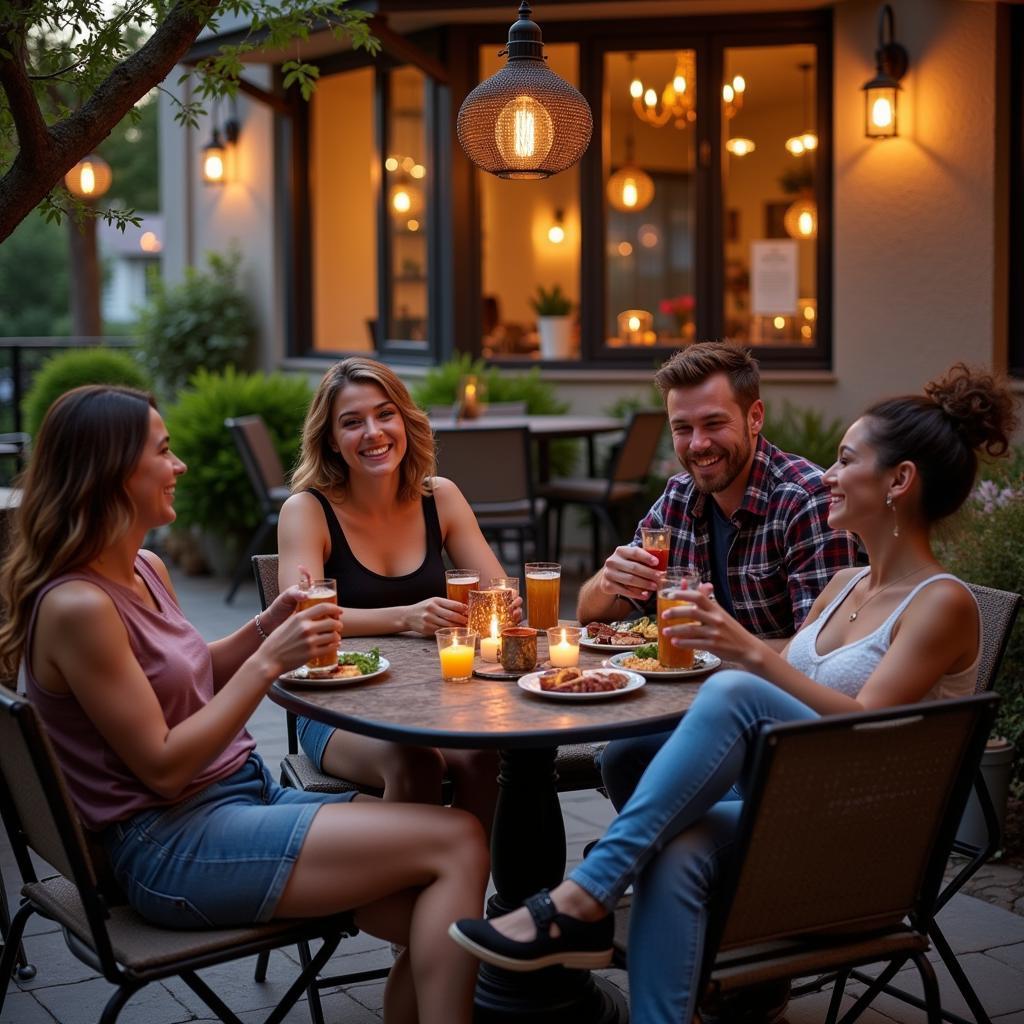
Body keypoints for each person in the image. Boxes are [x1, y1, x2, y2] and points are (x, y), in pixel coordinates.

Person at [448, 364, 1017, 1024]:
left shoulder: (941, 602)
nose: (826, 474)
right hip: (787, 808)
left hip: (863, 848)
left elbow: (866, 724)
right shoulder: (844, 589)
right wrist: (716, 642)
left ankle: (583, 897)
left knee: (736, 692)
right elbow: (793, 687)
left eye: (845, 459)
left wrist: (741, 651)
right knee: (673, 838)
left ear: (899, 480)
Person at [0, 386, 489, 1024]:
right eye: (164, 452)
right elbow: (165, 768)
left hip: (240, 798)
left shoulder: (144, 567)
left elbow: (190, 667)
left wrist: (266, 626)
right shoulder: (78, 607)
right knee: (457, 841)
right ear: (111, 471)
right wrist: (268, 662)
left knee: (441, 914)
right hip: (172, 845)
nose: (179, 467)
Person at [278, 357, 513, 824]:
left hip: (434, 698)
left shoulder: (439, 497)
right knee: (415, 763)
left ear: (405, 421)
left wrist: (501, 608)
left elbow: (496, 592)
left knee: (486, 759)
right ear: (330, 439)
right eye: (352, 422)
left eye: (385, 414)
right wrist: (405, 617)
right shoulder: (306, 509)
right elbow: (300, 619)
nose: (373, 432)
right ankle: (399, 890)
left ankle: (471, 893)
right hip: (337, 706)